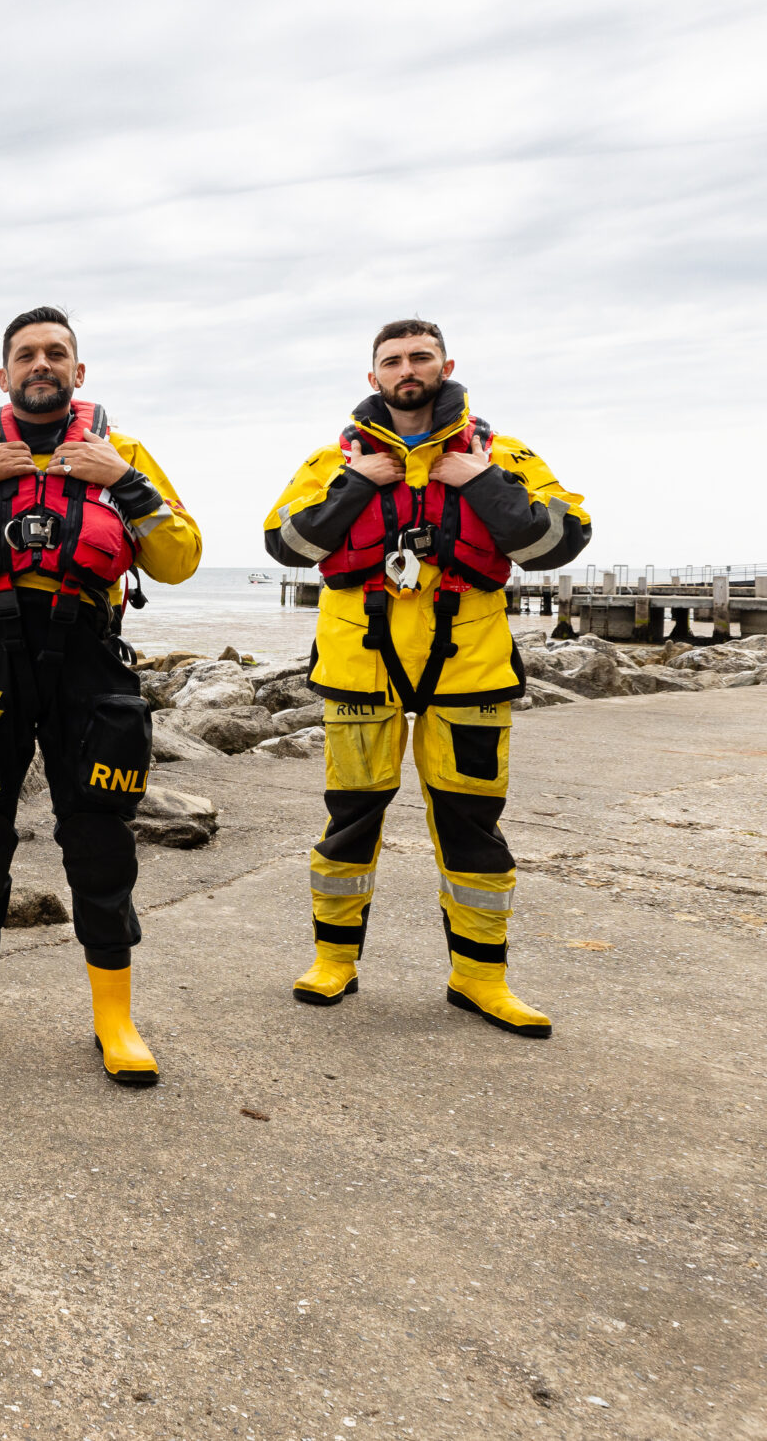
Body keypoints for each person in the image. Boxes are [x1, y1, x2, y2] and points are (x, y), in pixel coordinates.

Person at [0, 307, 201, 1085]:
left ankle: (114, 1019)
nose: (42, 364)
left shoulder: (121, 451)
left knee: (99, 838)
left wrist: (121, 481)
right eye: (27, 354)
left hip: (89, 662)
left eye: (56, 353)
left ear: (78, 371)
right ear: (4, 375)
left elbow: (179, 560)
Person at [263, 319, 590, 1036]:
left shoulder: (503, 455)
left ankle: (481, 978)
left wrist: (484, 483)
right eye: (392, 360)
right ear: (372, 376)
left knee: (473, 825)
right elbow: (285, 543)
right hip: (362, 668)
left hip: (469, 667)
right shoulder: (331, 460)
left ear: (446, 364)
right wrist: (355, 485)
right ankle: (333, 962)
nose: (406, 369)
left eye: (420, 357)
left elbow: (561, 539)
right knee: (351, 820)